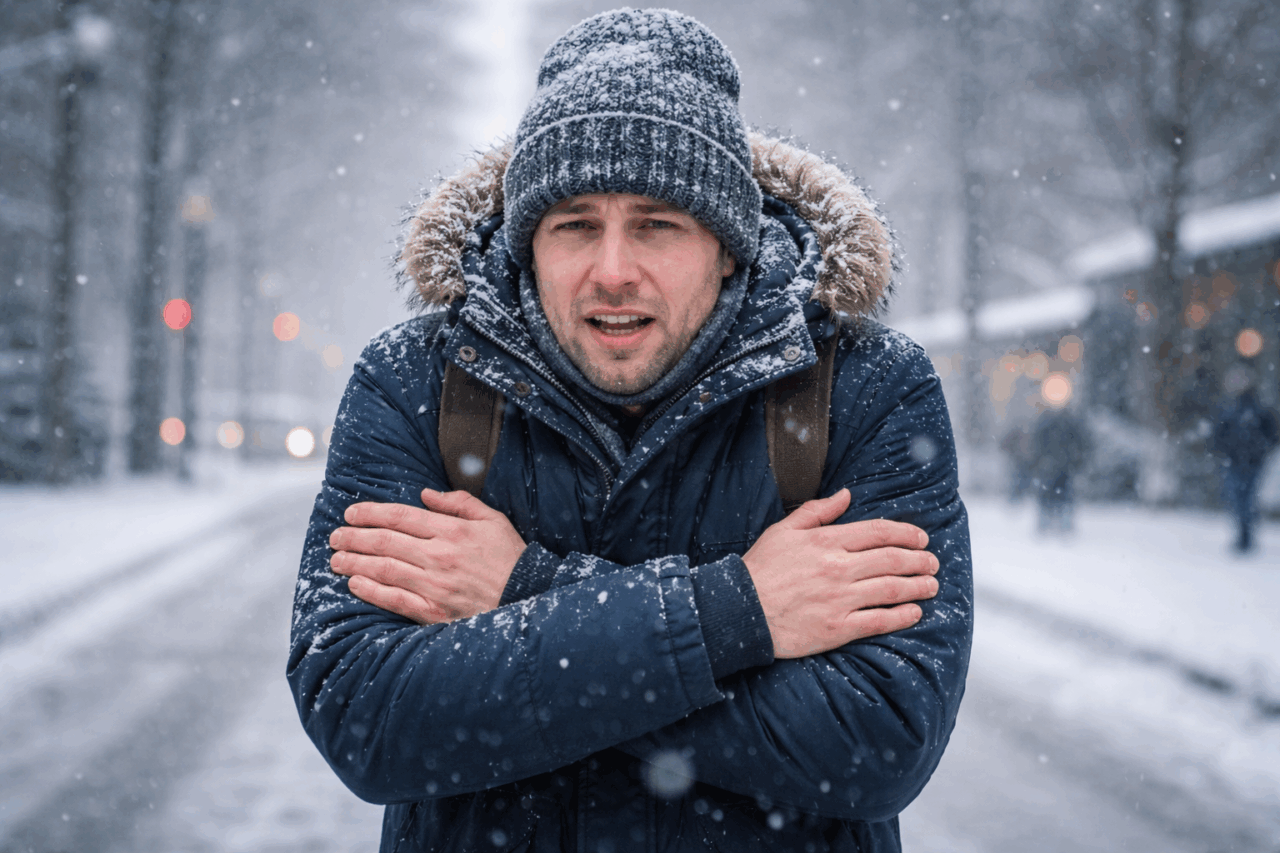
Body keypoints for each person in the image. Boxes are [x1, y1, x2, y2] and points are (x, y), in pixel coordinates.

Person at [287, 9, 972, 852]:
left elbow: (878, 742)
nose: (613, 270)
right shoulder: (414, 383)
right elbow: (367, 718)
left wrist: (523, 590)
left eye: (657, 223)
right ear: (528, 244)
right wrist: (738, 611)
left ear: (729, 246)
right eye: (575, 224)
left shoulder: (867, 389)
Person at [1209, 372, 1278, 553]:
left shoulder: (1256, 409)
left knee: (1245, 499)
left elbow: (1272, 434)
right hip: (1237, 461)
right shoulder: (1233, 408)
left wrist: (1260, 449)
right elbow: (1218, 435)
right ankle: (1244, 534)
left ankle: (1246, 535)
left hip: (1249, 462)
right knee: (1241, 499)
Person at [1030, 398, 1091, 534]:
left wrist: (1076, 460)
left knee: (1064, 493)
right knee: (1048, 493)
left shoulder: (1070, 423)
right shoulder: (1046, 423)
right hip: (1051, 466)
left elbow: (1081, 443)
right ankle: (1047, 521)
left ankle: (1063, 522)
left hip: (1063, 466)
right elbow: (1037, 443)